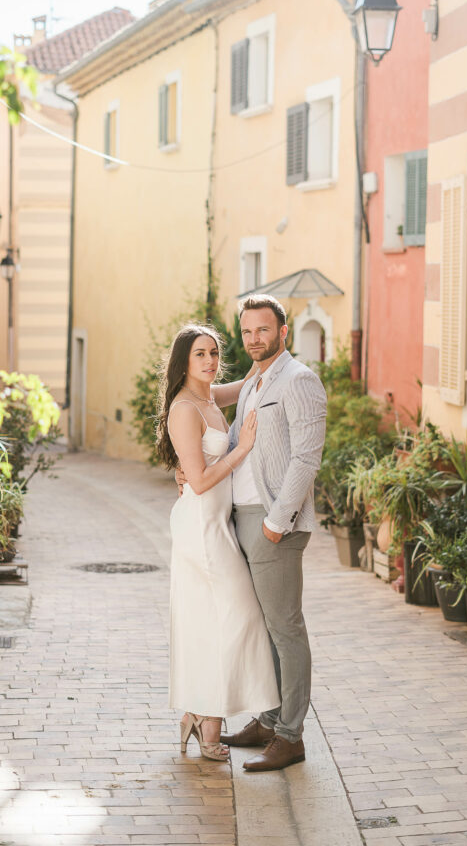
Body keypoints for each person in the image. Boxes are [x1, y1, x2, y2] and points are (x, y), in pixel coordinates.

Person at [177, 294, 327, 772]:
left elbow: (306, 459)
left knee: (285, 629)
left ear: (282, 331)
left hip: (271, 520)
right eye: (246, 331)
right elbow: (219, 434)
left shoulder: (299, 380)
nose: (254, 338)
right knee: (261, 628)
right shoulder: (253, 382)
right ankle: (267, 719)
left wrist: (276, 523)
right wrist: (187, 469)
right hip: (237, 519)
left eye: (263, 329)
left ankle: (290, 736)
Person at [156, 323, 280, 762]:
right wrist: (241, 448)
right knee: (239, 615)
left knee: (216, 621)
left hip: (217, 524)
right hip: (201, 528)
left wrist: (269, 342)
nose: (210, 361)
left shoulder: (210, 397)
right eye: (200, 354)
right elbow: (201, 480)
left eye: (214, 353)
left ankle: (202, 716)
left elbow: (250, 380)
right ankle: (206, 717)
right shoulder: (184, 408)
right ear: (183, 362)